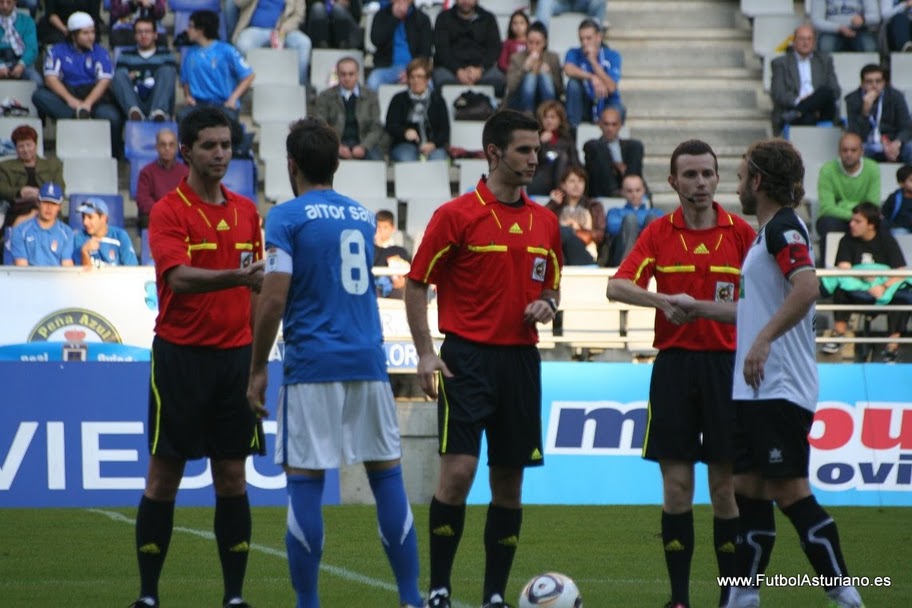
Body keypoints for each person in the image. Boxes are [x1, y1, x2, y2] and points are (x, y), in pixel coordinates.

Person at [675, 138, 865, 608]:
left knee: (788, 490)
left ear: (758, 181)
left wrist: (762, 341)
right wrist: (696, 308)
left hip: (779, 386)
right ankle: (743, 597)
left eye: (740, 176)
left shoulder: (783, 229)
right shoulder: (764, 236)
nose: (735, 184)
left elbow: (806, 288)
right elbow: (751, 311)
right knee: (748, 490)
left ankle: (845, 595)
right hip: (756, 389)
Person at [246, 117, 423, 608]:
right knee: (387, 477)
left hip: (313, 364)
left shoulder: (285, 217)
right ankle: (411, 598)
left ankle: (308, 604)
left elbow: (276, 298)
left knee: (306, 481)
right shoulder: (362, 216)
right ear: (337, 164)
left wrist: (259, 366)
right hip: (367, 359)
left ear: (291, 165)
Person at [404, 109, 563, 608]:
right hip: (466, 360)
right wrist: (427, 352)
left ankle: (495, 594)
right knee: (457, 475)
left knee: (509, 484)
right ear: (494, 153)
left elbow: (552, 286)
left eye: (536, 149)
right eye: (523, 149)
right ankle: (440, 588)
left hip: (521, 363)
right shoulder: (455, 215)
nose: (534, 158)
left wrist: (548, 304)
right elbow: (415, 283)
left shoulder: (546, 221)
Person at [605, 139, 755, 608]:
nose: (700, 184)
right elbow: (616, 285)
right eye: (689, 175)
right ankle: (679, 598)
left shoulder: (742, 234)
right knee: (677, 487)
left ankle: (733, 598)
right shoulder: (658, 232)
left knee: (725, 489)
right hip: (673, 369)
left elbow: (763, 300)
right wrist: (660, 302)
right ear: (673, 182)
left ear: (717, 177)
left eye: (707, 174)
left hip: (727, 372)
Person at [130, 107, 265, 608]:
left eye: (226, 145)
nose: (220, 154)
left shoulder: (247, 212)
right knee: (164, 476)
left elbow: (255, 292)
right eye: (209, 145)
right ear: (186, 152)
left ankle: (233, 597)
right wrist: (235, 276)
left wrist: (257, 362)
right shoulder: (169, 210)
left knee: (232, 476)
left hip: (234, 361)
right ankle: (148, 595)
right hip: (181, 359)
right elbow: (178, 279)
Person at [819, 201, 911, 361]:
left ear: (871, 225)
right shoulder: (847, 239)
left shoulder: (887, 240)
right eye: (852, 220)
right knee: (841, 290)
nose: (852, 224)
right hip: (858, 288)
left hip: (882, 288)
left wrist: (882, 285)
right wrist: (863, 276)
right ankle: (839, 334)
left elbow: (901, 271)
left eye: (857, 221)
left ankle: (891, 347)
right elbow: (843, 267)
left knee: (902, 298)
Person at [33, 11, 124, 158]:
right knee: (39, 96)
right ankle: (76, 117)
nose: (91, 37)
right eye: (85, 33)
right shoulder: (56, 51)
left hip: (94, 96)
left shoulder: (100, 52)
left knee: (111, 116)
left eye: (93, 32)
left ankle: (113, 155)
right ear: (73, 35)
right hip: (67, 95)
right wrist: (72, 102)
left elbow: (105, 81)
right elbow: (50, 79)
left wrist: (87, 103)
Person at [179, 10, 256, 124]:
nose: (187, 30)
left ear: (201, 30)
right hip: (198, 105)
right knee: (182, 116)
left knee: (229, 123)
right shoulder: (190, 54)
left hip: (222, 104)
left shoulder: (226, 50)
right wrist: (188, 96)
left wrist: (233, 98)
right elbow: (185, 81)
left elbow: (249, 75)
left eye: (191, 26)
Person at [816, 132, 881, 265]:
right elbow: (827, 208)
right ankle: (827, 273)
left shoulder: (873, 168)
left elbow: (873, 205)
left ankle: (879, 268)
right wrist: (855, 216)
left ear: (861, 151)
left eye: (853, 150)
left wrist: (844, 207)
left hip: (861, 217)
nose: (849, 154)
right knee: (826, 224)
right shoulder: (827, 170)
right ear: (839, 152)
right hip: (837, 219)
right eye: (845, 150)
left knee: (882, 225)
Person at [769, 24, 840, 136]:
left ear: (814, 42)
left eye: (809, 39)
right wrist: (799, 101)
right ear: (794, 41)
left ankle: (799, 111)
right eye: (801, 39)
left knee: (825, 91)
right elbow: (778, 93)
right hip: (794, 107)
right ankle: (801, 111)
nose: (805, 42)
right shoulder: (780, 63)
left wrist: (813, 101)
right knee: (808, 118)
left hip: (821, 109)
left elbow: (835, 90)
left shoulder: (825, 61)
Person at [313, 56, 385, 161]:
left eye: (351, 74)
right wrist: (337, 146)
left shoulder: (371, 96)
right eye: (343, 74)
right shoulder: (325, 96)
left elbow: (376, 127)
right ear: (337, 74)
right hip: (335, 143)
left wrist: (364, 146)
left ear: (358, 74)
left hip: (364, 142)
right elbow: (321, 125)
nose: (347, 78)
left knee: (377, 161)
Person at [432, 0, 505, 97]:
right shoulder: (443, 18)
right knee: (443, 81)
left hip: (482, 69)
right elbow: (442, 50)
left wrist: (480, 69)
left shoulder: (488, 18)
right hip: (450, 69)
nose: (466, 1)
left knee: (498, 81)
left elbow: (494, 48)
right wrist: (458, 71)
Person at [111, 17, 178, 122]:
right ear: (134, 35)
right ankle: (134, 112)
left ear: (155, 34)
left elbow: (167, 82)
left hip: (158, 98)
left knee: (167, 70)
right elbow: (122, 79)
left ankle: (158, 112)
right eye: (139, 32)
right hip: (134, 99)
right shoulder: (125, 55)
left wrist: (134, 75)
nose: (143, 35)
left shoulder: (166, 55)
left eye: (147, 31)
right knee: (118, 74)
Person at [0, 124, 65, 231]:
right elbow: (2, 188)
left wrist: (42, 194)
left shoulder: (53, 165)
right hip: (18, 209)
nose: (25, 150)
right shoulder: (5, 167)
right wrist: (20, 192)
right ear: (16, 148)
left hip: (47, 208)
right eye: (21, 146)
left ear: (35, 145)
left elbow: (60, 188)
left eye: (28, 145)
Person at [233, 0, 312, 86]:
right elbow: (238, 3)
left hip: (284, 30)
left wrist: (284, 29)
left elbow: (299, 15)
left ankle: (301, 88)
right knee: (243, 45)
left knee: (304, 43)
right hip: (255, 29)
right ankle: (246, 89)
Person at [385, 58, 450, 162]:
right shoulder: (398, 99)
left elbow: (444, 130)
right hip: (404, 145)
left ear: (427, 79)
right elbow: (390, 125)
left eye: (420, 77)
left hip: (433, 145)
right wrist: (404, 132)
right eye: (412, 77)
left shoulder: (438, 100)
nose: (416, 81)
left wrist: (433, 144)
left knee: (438, 160)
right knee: (407, 159)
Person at [845, 63, 912, 163]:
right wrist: (865, 111)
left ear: (884, 83)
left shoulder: (896, 96)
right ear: (862, 84)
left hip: (893, 141)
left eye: (878, 81)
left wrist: (897, 143)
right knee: (854, 152)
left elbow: (906, 127)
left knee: (910, 149)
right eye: (869, 82)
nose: (874, 85)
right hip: (867, 144)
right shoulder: (853, 99)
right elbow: (854, 134)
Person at [563, 18, 623, 128]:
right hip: (585, 101)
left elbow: (612, 87)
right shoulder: (574, 52)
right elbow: (568, 69)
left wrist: (593, 62)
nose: (585, 43)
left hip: (607, 101)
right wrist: (592, 77)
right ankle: (573, 129)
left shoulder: (613, 55)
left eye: (588, 38)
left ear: (599, 37)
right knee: (573, 84)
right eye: (581, 39)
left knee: (619, 110)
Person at [366, 0, 432, 90]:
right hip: (387, 68)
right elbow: (376, 40)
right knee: (373, 80)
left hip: (414, 68)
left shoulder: (422, 19)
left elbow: (425, 51)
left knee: (430, 85)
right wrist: (395, 18)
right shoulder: (381, 15)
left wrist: (412, 72)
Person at [546, 165, 605, 265]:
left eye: (580, 181)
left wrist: (575, 231)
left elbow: (600, 235)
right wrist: (552, 204)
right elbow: (541, 226)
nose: (576, 185)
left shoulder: (594, 206)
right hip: (561, 255)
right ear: (563, 185)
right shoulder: (556, 206)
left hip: (586, 253)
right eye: (572, 181)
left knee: (565, 231)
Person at [9, 181, 74, 266]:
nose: (49, 207)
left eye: (54, 203)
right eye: (45, 202)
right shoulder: (20, 231)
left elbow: (66, 265)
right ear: (38, 203)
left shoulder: (67, 232)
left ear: (60, 207)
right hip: (28, 278)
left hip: (56, 278)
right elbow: (21, 266)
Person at [583, 106, 644, 197]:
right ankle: (614, 192)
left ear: (620, 125)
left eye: (614, 124)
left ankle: (631, 189)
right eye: (606, 124)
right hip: (602, 187)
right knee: (598, 146)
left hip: (625, 180)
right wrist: (615, 165)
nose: (610, 129)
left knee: (636, 145)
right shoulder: (594, 147)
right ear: (600, 124)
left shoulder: (629, 147)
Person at [504, 21, 563, 114]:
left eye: (538, 43)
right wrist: (524, 69)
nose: (533, 47)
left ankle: (548, 114)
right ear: (526, 41)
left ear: (545, 42)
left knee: (545, 77)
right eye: (530, 42)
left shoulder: (553, 58)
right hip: (521, 101)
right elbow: (510, 88)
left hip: (546, 98)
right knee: (530, 77)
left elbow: (560, 90)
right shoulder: (516, 57)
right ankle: (528, 116)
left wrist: (549, 74)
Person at [605, 173, 663, 266]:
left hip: (648, 255)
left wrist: (636, 224)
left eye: (638, 190)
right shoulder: (614, 212)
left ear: (643, 190)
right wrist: (637, 223)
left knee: (652, 219)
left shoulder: (656, 213)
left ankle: (650, 263)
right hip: (621, 254)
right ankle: (628, 264)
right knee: (630, 220)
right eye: (629, 191)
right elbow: (612, 229)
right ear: (622, 192)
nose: (634, 194)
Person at [136, 128, 188, 229]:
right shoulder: (146, 172)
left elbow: (190, 198)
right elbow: (143, 201)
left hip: (179, 217)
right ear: (157, 147)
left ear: (177, 148)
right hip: (157, 217)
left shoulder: (186, 172)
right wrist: (164, 212)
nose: (167, 148)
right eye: (163, 144)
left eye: (171, 144)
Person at [527, 99, 579, 196]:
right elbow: (530, 162)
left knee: (563, 158)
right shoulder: (534, 136)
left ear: (560, 119)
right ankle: (561, 190)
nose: (549, 120)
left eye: (553, 117)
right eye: (546, 117)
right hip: (540, 178)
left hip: (564, 178)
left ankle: (562, 189)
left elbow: (575, 162)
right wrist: (540, 143)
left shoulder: (567, 138)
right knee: (561, 156)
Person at [72, 196, 138, 267]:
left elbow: (132, 269)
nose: (85, 222)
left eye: (90, 217)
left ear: (104, 218)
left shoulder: (120, 236)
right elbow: (81, 275)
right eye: (83, 217)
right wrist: (84, 252)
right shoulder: (80, 237)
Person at [810, 0, 879, 53]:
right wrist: (839, 28)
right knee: (826, 46)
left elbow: (876, 17)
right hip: (832, 31)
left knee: (869, 47)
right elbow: (816, 20)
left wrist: (863, 19)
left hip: (860, 30)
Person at [0, 0, 42, 87]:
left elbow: (32, 48)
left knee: (37, 81)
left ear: (15, 2)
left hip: (21, 61)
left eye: (8, 2)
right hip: (1, 59)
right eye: (1, 2)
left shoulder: (27, 22)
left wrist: (22, 64)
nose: (4, 6)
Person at [374, 208, 412, 299]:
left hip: (394, 287)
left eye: (385, 227)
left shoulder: (399, 250)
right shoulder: (368, 249)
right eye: (378, 227)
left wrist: (403, 281)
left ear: (392, 229)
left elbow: (405, 271)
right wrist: (378, 246)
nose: (381, 230)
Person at [883, 163, 912, 235]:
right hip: (900, 228)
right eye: (911, 180)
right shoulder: (894, 198)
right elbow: (885, 215)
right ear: (901, 183)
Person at [535, 0, 605, 30]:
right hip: (562, 3)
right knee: (544, 1)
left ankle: (596, 35)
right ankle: (539, 35)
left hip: (582, 3)